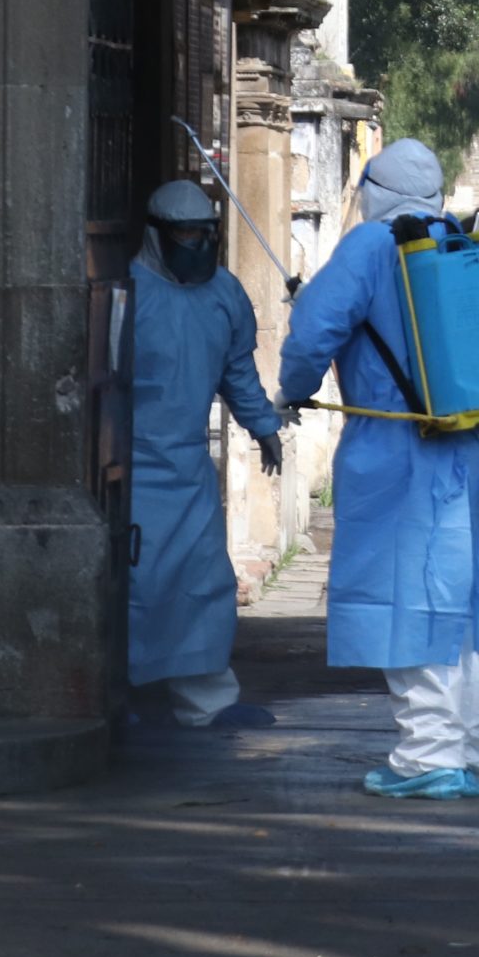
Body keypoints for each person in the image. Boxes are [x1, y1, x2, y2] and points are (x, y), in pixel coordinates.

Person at [278, 139, 479, 801]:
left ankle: (426, 756)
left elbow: (313, 333)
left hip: (401, 450)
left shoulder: (371, 246)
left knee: (412, 599)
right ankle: (459, 747)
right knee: (458, 604)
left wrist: (293, 389)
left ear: (374, 189)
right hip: (477, 446)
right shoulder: (463, 244)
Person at [129, 179, 287, 729]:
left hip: (189, 469)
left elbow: (237, 372)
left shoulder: (225, 295)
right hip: (131, 470)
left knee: (205, 583)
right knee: (136, 587)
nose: (196, 245)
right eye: (185, 235)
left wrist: (263, 425)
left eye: (205, 235)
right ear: (157, 235)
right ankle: (118, 698)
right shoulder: (125, 293)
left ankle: (207, 703)